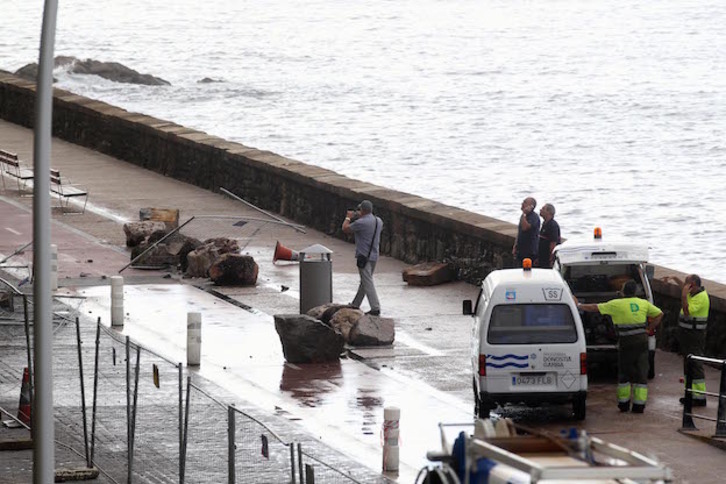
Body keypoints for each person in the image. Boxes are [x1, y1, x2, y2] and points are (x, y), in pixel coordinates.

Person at [575, 280, 663, 413]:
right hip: (642, 340)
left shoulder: (616, 304)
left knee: (624, 372)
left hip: (626, 341)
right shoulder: (643, 303)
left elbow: (595, 308)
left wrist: (579, 305)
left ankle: (624, 404)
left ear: (622, 292)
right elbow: (659, 314)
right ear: (636, 292)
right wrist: (648, 329)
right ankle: (639, 405)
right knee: (641, 370)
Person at [661, 274, 710, 406]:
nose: (685, 287)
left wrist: (683, 296)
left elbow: (687, 312)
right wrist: (673, 277)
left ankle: (700, 397)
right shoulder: (693, 292)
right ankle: (689, 393)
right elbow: (682, 286)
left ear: (693, 285)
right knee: (687, 362)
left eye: (687, 284)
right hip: (686, 334)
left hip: (695, 335)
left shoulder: (700, 297)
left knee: (695, 363)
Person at [342, 200, 383, 316]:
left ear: (363, 210)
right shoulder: (378, 221)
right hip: (374, 255)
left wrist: (348, 217)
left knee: (367, 282)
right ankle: (356, 304)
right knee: (365, 281)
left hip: (363, 256)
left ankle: (375, 308)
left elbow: (345, 229)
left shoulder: (361, 223)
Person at [512, 197, 540, 267]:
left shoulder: (534, 217)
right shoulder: (524, 216)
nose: (522, 204)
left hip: (529, 251)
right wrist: (515, 245)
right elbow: (520, 231)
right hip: (521, 250)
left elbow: (525, 228)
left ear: (531, 206)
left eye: (525, 202)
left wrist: (524, 214)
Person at [537, 203, 560, 268]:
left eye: (543, 209)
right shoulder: (544, 224)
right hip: (542, 257)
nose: (540, 210)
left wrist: (551, 259)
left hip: (547, 259)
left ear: (549, 212)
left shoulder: (552, 225)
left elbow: (553, 243)